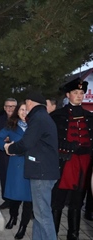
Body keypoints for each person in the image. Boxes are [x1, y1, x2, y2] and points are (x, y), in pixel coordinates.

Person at [4, 92, 60, 240]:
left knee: (43, 215)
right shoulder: (42, 117)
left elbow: (26, 143)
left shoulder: (38, 118)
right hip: (43, 171)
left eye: (26, 103)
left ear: (30, 102)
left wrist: (10, 148)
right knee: (40, 214)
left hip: (42, 173)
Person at [50, 77, 93, 239]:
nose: (79, 95)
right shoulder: (57, 116)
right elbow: (50, 141)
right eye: (76, 92)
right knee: (57, 202)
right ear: (68, 95)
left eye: (81, 93)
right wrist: (66, 145)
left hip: (85, 165)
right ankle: (52, 235)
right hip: (65, 164)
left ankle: (73, 235)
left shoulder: (90, 117)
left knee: (77, 203)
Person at [0, 102, 32, 239]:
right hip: (16, 166)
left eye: (27, 110)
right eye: (22, 109)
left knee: (29, 199)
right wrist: (6, 146)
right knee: (15, 196)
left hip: (32, 165)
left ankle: (23, 226)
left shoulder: (36, 126)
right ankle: (13, 217)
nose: (24, 112)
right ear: (17, 111)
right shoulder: (11, 125)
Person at [0, 97, 17, 209]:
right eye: (7, 106)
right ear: (4, 107)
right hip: (3, 154)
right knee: (4, 178)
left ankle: (16, 201)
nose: (9, 108)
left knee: (16, 179)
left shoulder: (23, 120)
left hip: (17, 155)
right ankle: (6, 200)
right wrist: (2, 141)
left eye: (12, 106)